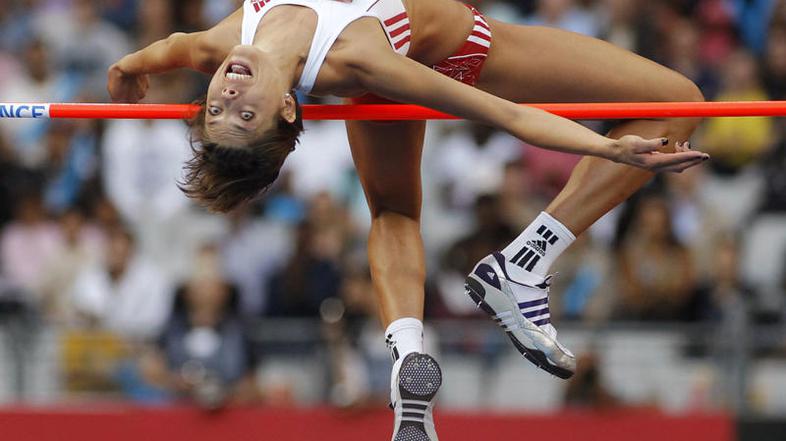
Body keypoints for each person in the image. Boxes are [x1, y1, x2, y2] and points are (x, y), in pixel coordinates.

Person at [107, 0, 708, 438]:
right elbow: (508, 117)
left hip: (403, 49)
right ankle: (526, 263)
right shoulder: (360, 59)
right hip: (458, 52)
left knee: (394, 209)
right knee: (679, 100)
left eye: (217, 106)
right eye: (243, 117)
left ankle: (406, 351)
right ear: (288, 107)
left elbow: (166, 50)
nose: (229, 96)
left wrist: (131, 65)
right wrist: (605, 148)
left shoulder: (219, 44)